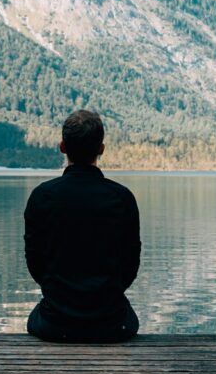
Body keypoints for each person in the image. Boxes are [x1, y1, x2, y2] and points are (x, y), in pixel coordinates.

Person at [21, 108, 141, 343]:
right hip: (113, 324)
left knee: (36, 316)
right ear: (101, 149)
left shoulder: (42, 196)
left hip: (55, 323)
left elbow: (35, 262)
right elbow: (130, 265)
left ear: (62, 147)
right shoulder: (122, 198)